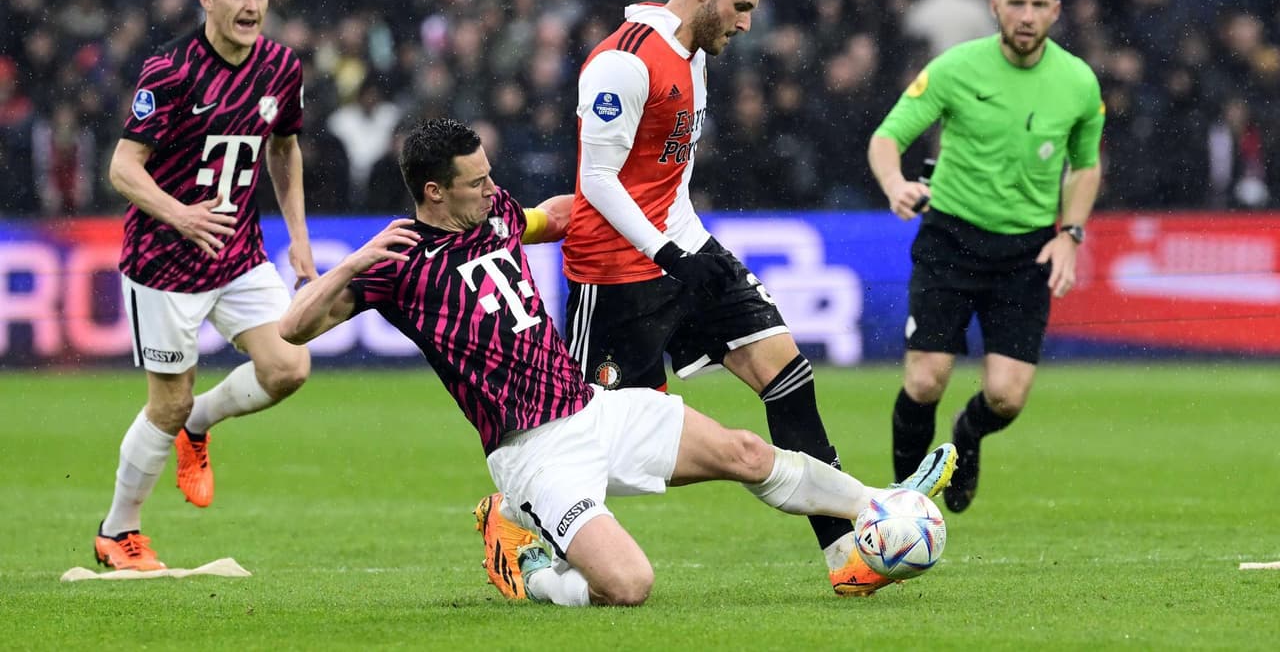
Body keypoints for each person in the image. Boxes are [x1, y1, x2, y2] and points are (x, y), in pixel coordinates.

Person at [277, 118, 957, 606]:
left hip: (594, 409)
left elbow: (547, 216)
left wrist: (599, 211)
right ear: (432, 192)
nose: (491, 188)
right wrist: (357, 259)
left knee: (748, 451)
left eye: (490, 176)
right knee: (628, 586)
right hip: (534, 451)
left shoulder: (498, 214)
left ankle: (879, 504)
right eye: (476, 182)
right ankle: (521, 552)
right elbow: (293, 327)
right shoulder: (396, 266)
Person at [556, 0, 887, 596]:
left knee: (788, 374)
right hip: (616, 276)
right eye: (739, 7)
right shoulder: (621, 61)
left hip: (683, 251)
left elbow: (668, 181)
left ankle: (847, 554)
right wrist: (668, 252)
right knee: (599, 442)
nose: (744, 24)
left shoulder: (695, 57)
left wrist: (693, 249)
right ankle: (520, 522)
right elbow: (597, 180)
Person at [95, 0, 318, 570]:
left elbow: (283, 146)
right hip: (166, 263)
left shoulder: (281, 67)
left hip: (239, 253)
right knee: (165, 402)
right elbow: (122, 168)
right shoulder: (170, 71)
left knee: (289, 367)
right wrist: (181, 215)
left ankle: (202, 425)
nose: (252, 5)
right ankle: (118, 531)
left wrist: (298, 238)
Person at [867, 0, 1104, 514]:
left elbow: (1086, 164)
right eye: (1015, 3)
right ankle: (905, 504)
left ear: (1055, 11)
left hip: (1025, 251)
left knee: (1006, 396)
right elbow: (886, 137)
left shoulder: (1077, 82)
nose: (1026, 15)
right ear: (995, 6)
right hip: (950, 238)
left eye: (1038, 4)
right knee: (925, 380)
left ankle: (965, 437)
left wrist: (1070, 232)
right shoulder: (954, 69)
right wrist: (895, 183)